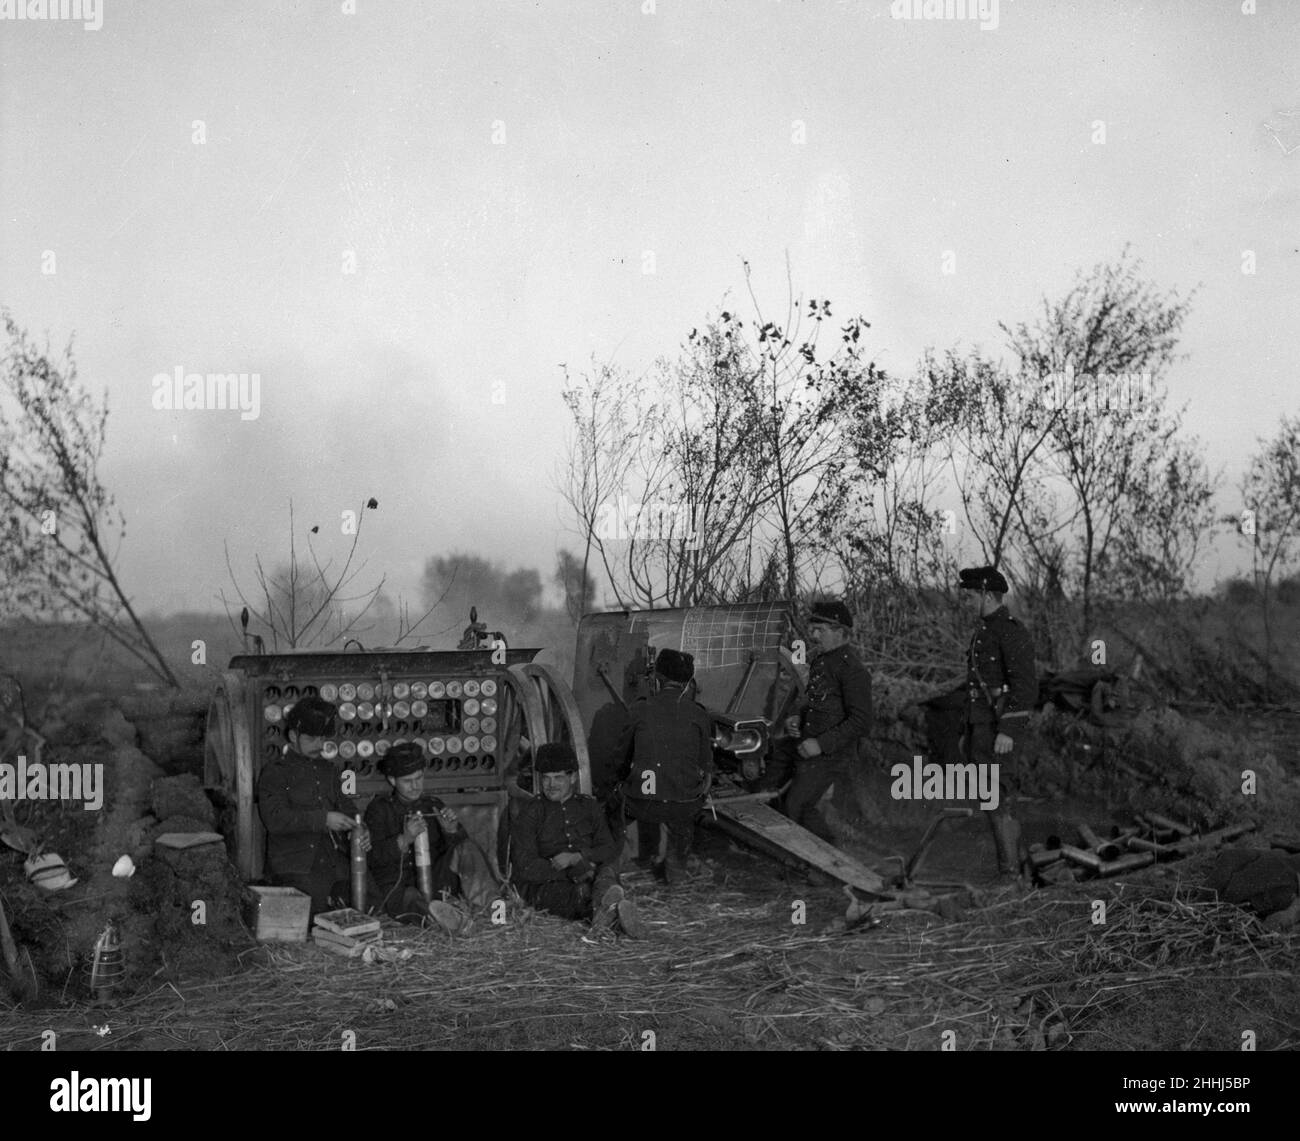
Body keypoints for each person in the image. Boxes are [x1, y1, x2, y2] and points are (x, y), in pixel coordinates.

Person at [363, 742, 501, 933]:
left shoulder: (432, 804)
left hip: (436, 881)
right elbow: (372, 858)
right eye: (407, 781)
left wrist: (451, 832)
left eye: (419, 778)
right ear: (392, 780)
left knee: (467, 847)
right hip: (399, 885)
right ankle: (451, 923)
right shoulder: (379, 810)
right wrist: (404, 839)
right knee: (413, 901)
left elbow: (459, 854)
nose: (415, 786)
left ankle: (497, 912)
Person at [510, 743, 644, 937]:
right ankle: (614, 917)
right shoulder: (532, 812)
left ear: (572, 777)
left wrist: (578, 857)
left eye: (558, 778)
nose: (551, 785)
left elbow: (607, 847)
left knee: (606, 872)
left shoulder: (589, 806)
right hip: (550, 887)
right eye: (546, 778)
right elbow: (526, 867)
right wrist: (575, 871)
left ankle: (607, 917)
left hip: (592, 876)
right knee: (585, 891)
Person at [958, 566, 1037, 881]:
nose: (965, 602)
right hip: (982, 728)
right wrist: (970, 731)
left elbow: (1025, 687)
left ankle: (1011, 875)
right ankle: (1016, 869)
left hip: (1000, 729)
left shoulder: (1010, 630)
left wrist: (1008, 729)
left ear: (987, 595)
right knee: (989, 795)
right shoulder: (983, 631)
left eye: (969, 596)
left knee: (999, 795)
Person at [258, 695, 370, 915]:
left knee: (372, 903)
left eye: (322, 739)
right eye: (311, 739)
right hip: (295, 863)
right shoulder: (275, 772)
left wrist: (360, 828)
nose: (319, 745)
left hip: (333, 860)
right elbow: (275, 819)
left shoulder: (329, 770)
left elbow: (347, 806)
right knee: (318, 916)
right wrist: (324, 819)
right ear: (293, 736)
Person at [775, 600, 872, 846]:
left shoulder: (853, 669)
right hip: (808, 742)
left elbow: (861, 721)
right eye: (814, 629)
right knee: (767, 777)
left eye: (822, 630)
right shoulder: (822, 660)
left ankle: (832, 859)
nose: (814, 635)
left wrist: (820, 744)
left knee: (797, 805)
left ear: (841, 632)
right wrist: (798, 718)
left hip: (832, 753)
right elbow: (818, 702)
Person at [616, 648, 713, 884]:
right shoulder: (699, 714)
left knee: (617, 804)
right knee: (682, 812)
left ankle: (631, 860)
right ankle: (676, 870)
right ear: (689, 683)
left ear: (656, 680)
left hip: (643, 806)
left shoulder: (638, 709)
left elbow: (621, 762)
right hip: (684, 806)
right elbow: (706, 766)